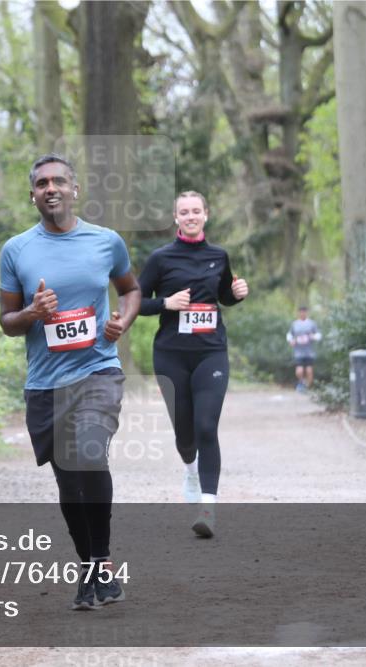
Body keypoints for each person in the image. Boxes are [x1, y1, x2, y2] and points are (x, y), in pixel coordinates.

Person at [0, 154, 140, 610]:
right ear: (33, 194)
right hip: (45, 384)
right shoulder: (16, 250)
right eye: (42, 183)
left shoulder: (105, 241)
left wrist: (123, 321)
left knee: (90, 454)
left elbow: (131, 289)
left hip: (98, 369)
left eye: (59, 180)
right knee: (68, 483)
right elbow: (7, 321)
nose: (51, 188)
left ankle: (101, 561)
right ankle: (91, 566)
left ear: (76, 190)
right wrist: (31, 314)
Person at [137, 191, 249, 538]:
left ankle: (207, 508)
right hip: (171, 354)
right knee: (185, 434)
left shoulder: (218, 255)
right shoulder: (161, 258)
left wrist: (236, 293)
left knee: (205, 426)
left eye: (196, 211)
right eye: (184, 212)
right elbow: (136, 302)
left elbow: (224, 295)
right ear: (175, 218)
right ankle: (190, 469)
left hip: (210, 352)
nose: (190, 216)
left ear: (206, 215)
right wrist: (166, 303)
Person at [287, 306, 321, 392]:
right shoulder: (295, 324)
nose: (302, 314)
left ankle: (308, 387)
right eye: (301, 312)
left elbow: (318, 335)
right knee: (299, 371)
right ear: (298, 313)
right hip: (298, 351)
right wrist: (291, 341)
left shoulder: (311, 323)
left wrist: (313, 337)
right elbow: (290, 335)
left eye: (304, 312)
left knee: (309, 371)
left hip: (309, 352)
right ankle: (301, 383)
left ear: (307, 313)